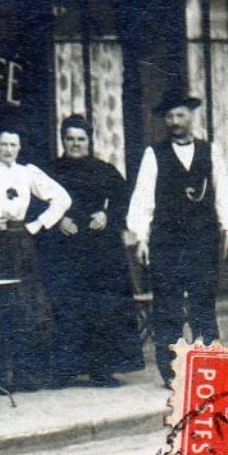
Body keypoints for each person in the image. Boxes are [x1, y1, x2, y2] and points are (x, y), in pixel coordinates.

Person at [125, 90, 228, 387]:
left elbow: (224, 191)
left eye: (180, 115)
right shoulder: (155, 154)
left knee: (204, 300)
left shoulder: (209, 150)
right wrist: (141, 238)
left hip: (202, 238)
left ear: (191, 117)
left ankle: (209, 366)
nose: (175, 121)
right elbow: (143, 198)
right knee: (168, 304)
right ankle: (173, 370)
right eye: (170, 116)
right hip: (166, 240)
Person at [0, 130, 71, 392]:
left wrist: (38, 224)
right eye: (4, 145)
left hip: (22, 240)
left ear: (19, 148)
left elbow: (62, 198)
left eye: (13, 145)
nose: (8, 150)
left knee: (27, 305)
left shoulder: (28, 172)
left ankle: (27, 375)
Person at [44, 115, 143, 387]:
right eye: (70, 139)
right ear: (62, 140)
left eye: (80, 139)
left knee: (102, 307)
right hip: (65, 248)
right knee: (68, 306)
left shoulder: (104, 170)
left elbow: (125, 200)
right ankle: (66, 369)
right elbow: (37, 204)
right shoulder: (50, 171)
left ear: (89, 141)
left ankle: (102, 369)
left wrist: (107, 215)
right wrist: (57, 220)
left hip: (101, 250)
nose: (75, 144)